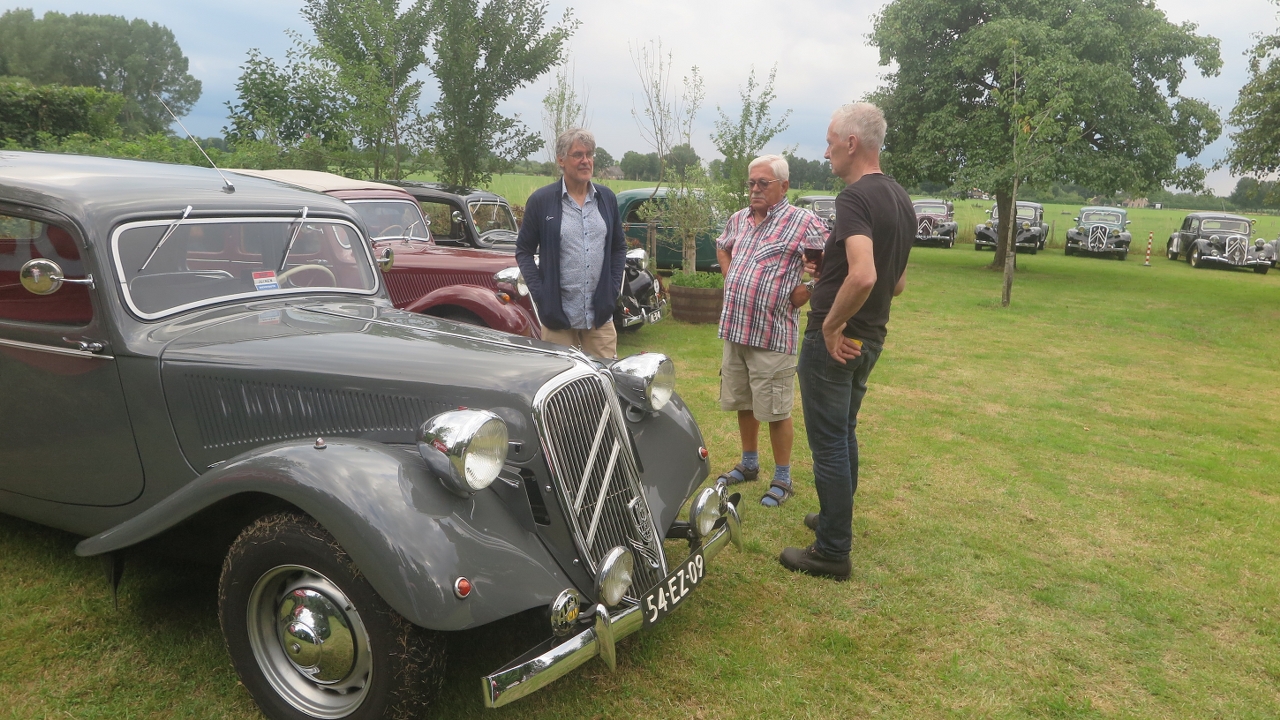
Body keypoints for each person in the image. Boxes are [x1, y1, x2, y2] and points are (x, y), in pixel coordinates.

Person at [781, 102, 914, 581]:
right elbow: (896, 284)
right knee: (844, 431)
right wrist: (830, 270)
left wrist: (831, 327)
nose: (826, 151)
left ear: (852, 144)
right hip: (871, 338)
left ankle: (833, 551)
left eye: (831, 141)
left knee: (829, 442)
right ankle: (834, 518)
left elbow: (865, 276)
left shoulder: (855, 198)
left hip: (837, 344)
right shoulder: (900, 198)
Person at [714, 154, 828, 508]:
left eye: (763, 183)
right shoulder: (739, 219)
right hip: (736, 329)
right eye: (751, 183)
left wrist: (809, 288)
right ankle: (749, 464)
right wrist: (730, 274)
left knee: (776, 409)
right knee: (743, 401)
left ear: (784, 186)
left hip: (773, 333)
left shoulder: (803, 222)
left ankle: (783, 477)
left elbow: (832, 261)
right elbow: (722, 245)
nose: (755, 189)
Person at [516, 128, 627, 358]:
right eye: (578, 155)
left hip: (599, 318)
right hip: (558, 319)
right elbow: (524, 251)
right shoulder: (542, 201)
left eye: (589, 154)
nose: (586, 161)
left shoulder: (606, 199)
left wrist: (612, 288)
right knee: (560, 379)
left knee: (604, 376)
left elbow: (618, 248)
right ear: (561, 160)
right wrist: (541, 294)